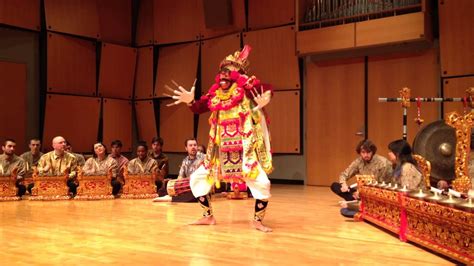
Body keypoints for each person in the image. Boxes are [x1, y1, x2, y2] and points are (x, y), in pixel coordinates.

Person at [166, 45, 274, 232]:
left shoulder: (247, 89)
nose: (224, 74)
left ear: (238, 73)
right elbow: (200, 107)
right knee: (198, 179)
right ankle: (208, 217)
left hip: (244, 150)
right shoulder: (215, 94)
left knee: (262, 183)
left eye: (229, 71)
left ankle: (257, 220)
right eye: (222, 71)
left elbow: (264, 89)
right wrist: (190, 101)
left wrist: (264, 96)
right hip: (219, 151)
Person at [153, 138, 204, 202]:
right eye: (190, 145)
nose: (193, 147)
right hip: (187, 184)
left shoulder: (203, 157)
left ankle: (171, 198)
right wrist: (175, 183)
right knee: (166, 183)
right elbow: (180, 177)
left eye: (195, 145)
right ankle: (163, 195)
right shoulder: (185, 161)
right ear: (186, 148)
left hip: (199, 185)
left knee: (195, 194)